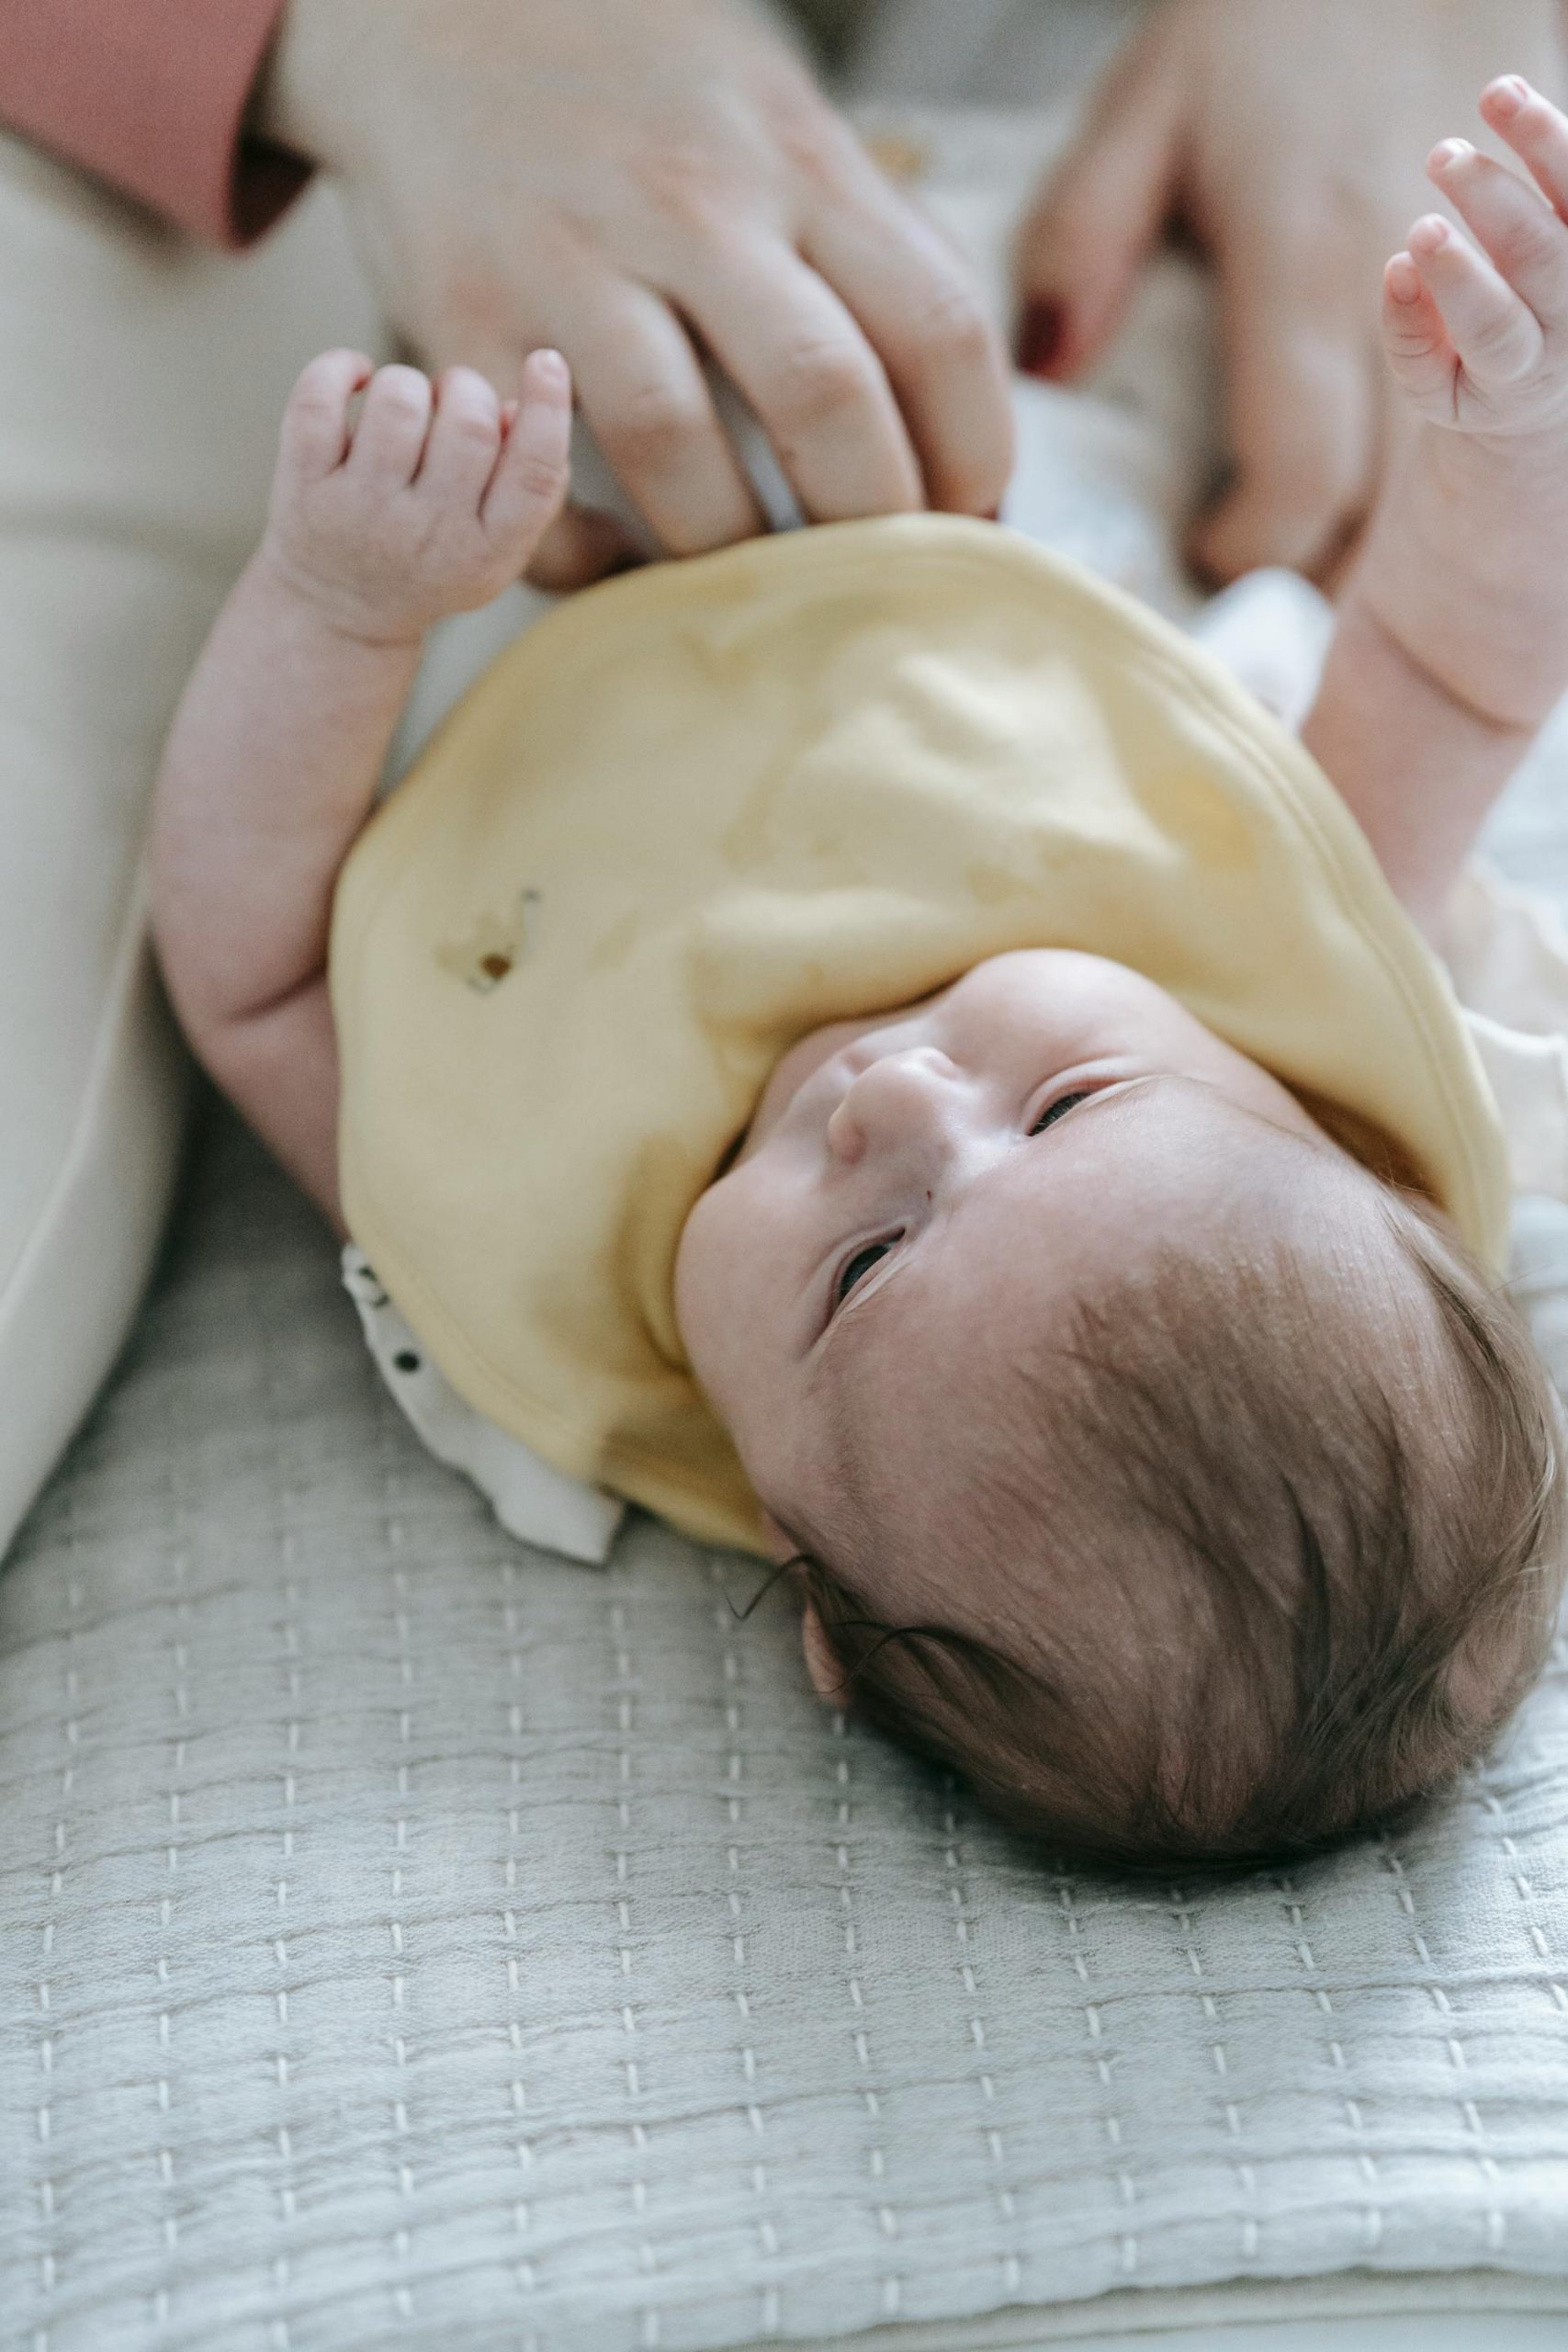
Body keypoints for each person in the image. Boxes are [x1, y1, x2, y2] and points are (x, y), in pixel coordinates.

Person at [149, 77, 1568, 1867]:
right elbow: (1455, 667)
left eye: (865, 1260)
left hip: (521, 422)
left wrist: (337, 605)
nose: (894, 1099)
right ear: (1306, 1115)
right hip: (979, 283)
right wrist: (1503, 430)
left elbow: (247, 977)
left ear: (803, 1556)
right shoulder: (1279, 955)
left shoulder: (543, 1303)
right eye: (1065, 1099)